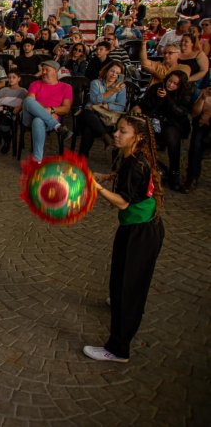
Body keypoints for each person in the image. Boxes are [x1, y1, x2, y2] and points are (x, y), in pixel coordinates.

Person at [86, 115, 165, 363]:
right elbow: (125, 178)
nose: (116, 134)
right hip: (136, 227)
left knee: (130, 287)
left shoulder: (136, 164)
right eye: (117, 130)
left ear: (138, 137)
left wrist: (97, 187)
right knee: (120, 276)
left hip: (141, 233)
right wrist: (106, 177)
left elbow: (122, 202)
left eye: (123, 132)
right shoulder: (132, 156)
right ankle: (119, 300)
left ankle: (118, 349)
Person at [133, 70, 192, 192]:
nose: (171, 85)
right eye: (170, 81)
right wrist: (144, 105)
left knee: (172, 138)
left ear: (180, 86)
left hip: (173, 123)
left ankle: (175, 176)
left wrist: (167, 98)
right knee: (140, 132)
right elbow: (145, 104)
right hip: (155, 120)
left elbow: (181, 113)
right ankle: (147, 169)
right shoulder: (157, 88)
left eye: (175, 84)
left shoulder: (184, 94)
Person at [22, 61, 74, 163]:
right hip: (30, 117)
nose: (44, 72)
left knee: (38, 120)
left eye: (47, 70)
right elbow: (31, 102)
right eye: (43, 70)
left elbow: (66, 108)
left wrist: (51, 109)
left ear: (55, 71)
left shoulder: (66, 87)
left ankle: (37, 160)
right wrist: (47, 113)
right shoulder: (35, 84)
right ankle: (57, 126)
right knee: (28, 100)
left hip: (46, 119)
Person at [78, 61, 127, 157]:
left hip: (106, 119)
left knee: (89, 129)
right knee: (87, 113)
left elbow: (121, 107)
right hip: (91, 115)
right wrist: (113, 91)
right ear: (107, 71)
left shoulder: (121, 88)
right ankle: (105, 137)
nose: (114, 74)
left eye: (117, 73)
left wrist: (108, 106)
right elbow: (94, 100)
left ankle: (81, 157)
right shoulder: (96, 83)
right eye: (112, 71)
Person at [184, 86, 211, 192]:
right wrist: (203, 98)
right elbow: (194, 113)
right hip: (202, 124)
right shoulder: (204, 92)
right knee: (196, 146)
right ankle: (192, 177)